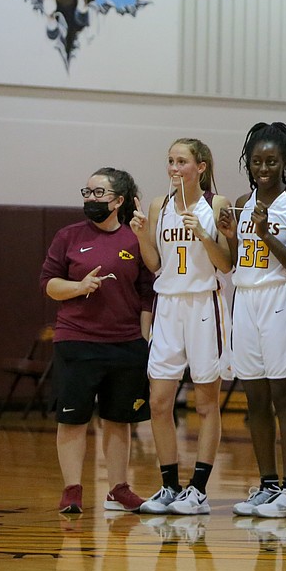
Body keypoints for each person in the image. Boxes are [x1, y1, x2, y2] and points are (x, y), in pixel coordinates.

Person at [41, 168, 154, 514]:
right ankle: (72, 490)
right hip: (77, 342)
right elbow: (48, 284)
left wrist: (143, 340)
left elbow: (148, 295)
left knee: (118, 419)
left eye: (98, 193)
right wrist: (78, 287)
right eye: (87, 192)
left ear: (119, 201)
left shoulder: (137, 240)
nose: (90, 199)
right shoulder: (68, 236)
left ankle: (118, 489)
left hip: (125, 344)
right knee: (72, 419)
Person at [131, 139, 233, 515]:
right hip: (168, 305)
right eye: (170, 161)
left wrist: (205, 235)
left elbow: (226, 264)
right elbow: (155, 264)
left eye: (182, 161)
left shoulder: (217, 205)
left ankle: (199, 490)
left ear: (201, 167)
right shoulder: (159, 205)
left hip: (205, 304)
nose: (174, 168)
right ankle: (169, 485)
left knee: (207, 402)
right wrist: (143, 235)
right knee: (159, 402)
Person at [217, 122, 286, 519]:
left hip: (280, 300)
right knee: (253, 397)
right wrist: (232, 236)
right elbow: (238, 260)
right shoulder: (241, 200)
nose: (264, 168)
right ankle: (267, 483)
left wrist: (265, 234)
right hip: (245, 300)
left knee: (283, 395)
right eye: (257, 161)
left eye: (272, 161)